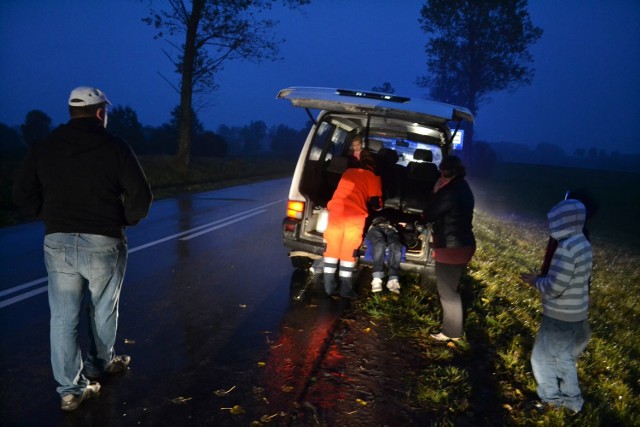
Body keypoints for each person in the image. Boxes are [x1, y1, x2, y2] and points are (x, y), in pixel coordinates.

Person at [12, 86, 153, 411]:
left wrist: (48, 215)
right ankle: (100, 364)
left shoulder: (44, 146)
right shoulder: (116, 147)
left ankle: (70, 390)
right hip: (104, 240)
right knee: (103, 307)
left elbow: (21, 193)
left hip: (58, 241)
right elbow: (140, 196)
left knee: (63, 317)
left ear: (71, 111)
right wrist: (125, 220)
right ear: (101, 112)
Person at [520, 198, 593, 413]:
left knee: (541, 358)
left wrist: (535, 281)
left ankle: (551, 400)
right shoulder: (583, 243)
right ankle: (574, 403)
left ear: (563, 222)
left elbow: (555, 287)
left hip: (560, 314)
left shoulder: (566, 248)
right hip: (576, 313)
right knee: (564, 358)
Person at [422, 155, 475, 342]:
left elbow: (430, 213)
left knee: (447, 291)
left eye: (441, 171)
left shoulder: (450, 191)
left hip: (452, 247)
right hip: (461, 244)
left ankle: (451, 332)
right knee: (450, 288)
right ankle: (453, 329)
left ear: (445, 171)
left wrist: (436, 192)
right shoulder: (463, 187)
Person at [323, 150, 382, 298]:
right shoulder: (373, 177)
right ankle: (346, 290)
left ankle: (329, 288)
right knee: (348, 251)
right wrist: (379, 206)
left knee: (332, 247)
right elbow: (376, 204)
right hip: (354, 216)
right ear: (373, 165)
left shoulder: (348, 172)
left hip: (336, 211)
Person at [365, 209, 409, 294]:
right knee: (380, 244)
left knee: (396, 246)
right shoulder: (374, 209)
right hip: (375, 228)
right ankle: (377, 279)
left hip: (391, 229)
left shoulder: (396, 213)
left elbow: (405, 221)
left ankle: (393, 279)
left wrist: (402, 224)